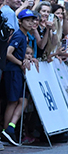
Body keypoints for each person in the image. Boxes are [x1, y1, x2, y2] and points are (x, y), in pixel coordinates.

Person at [2, 9, 37, 146]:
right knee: (13, 101)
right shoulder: (19, 36)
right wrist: (20, 63)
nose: (30, 23)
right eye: (27, 20)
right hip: (13, 71)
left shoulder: (24, 36)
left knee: (21, 100)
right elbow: (8, 53)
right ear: (20, 22)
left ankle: (10, 128)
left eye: (32, 20)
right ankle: (6, 132)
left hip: (16, 71)